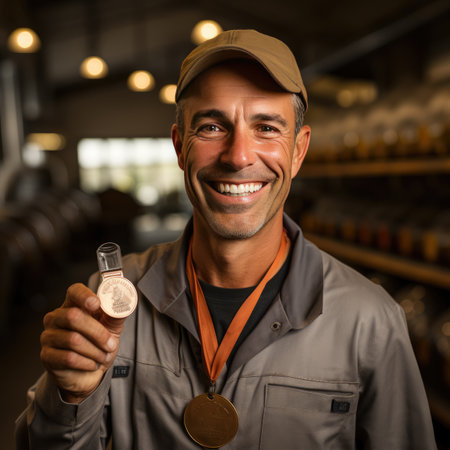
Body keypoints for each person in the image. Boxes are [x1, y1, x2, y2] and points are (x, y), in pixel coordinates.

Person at [15, 29, 437, 449]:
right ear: (180, 146)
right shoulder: (110, 306)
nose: (237, 156)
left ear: (298, 151)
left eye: (267, 127)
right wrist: (69, 397)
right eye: (212, 126)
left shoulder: (370, 321)